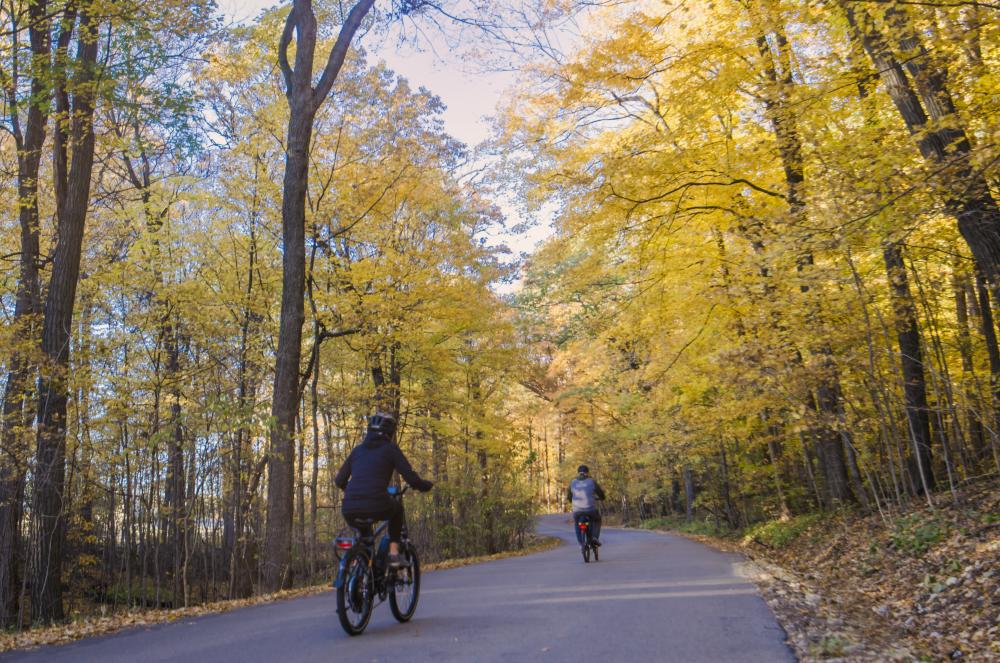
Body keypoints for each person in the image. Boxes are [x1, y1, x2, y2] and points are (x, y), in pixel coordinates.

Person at [335, 412, 433, 566]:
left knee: (365, 540)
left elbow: (339, 480)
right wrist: (424, 485)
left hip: (349, 508)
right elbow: (411, 478)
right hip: (377, 503)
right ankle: (393, 553)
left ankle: (358, 571)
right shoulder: (390, 449)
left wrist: (353, 491)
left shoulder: (357, 451)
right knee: (397, 509)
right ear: (389, 432)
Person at [567, 465, 605, 547]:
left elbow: (569, 496)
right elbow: (600, 492)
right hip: (590, 509)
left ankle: (581, 543)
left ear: (578, 473)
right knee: (597, 520)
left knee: (577, 524)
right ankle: (594, 537)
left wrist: (571, 500)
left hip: (577, 511)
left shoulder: (573, 482)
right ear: (587, 473)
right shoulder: (591, 481)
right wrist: (602, 497)